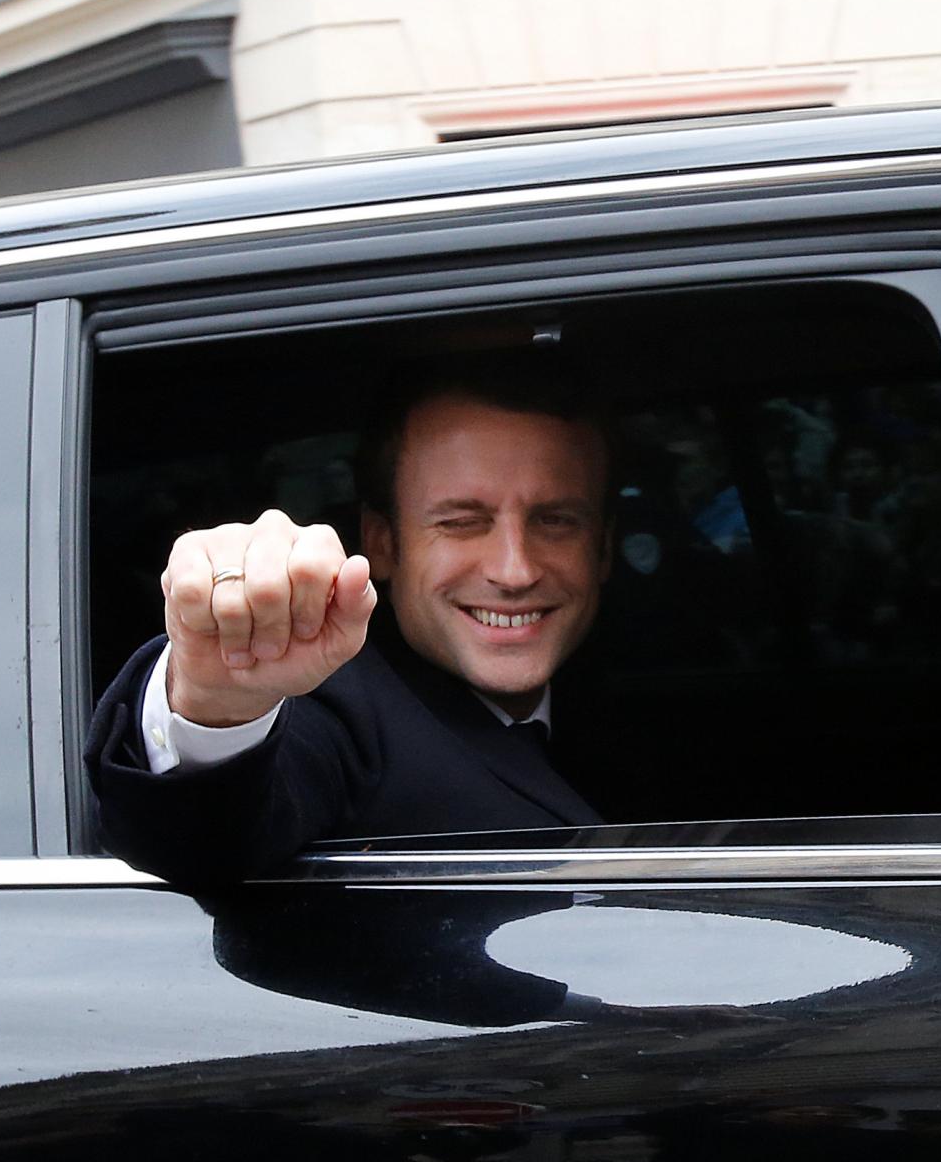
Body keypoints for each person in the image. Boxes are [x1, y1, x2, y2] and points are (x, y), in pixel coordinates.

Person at [85, 351, 613, 885]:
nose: (515, 569)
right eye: (461, 523)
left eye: (557, 521)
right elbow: (202, 841)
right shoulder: (335, 703)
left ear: (605, 548)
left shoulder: (642, 697)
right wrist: (219, 699)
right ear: (382, 544)